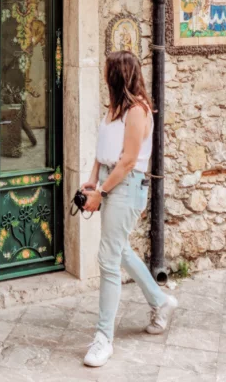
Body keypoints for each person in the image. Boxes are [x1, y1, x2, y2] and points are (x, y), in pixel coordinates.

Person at [82, 50, 177, 368]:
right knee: (120, 251)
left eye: (107, 70)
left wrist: (101, 192)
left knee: (107, 259)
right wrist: (92, 181)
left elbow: (127, 160)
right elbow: (103, 151)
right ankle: (161, 302)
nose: (103, 73)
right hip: (109, 182)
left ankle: (103, 339)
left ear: (118, 75)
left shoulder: (137, 111)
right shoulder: (113, 108)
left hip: (126, 186)